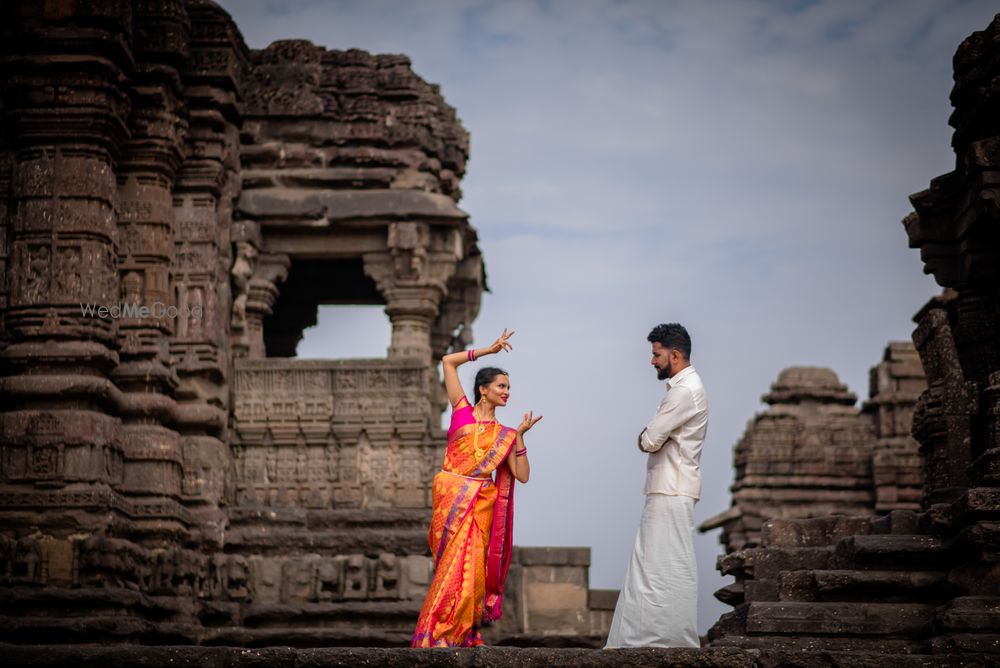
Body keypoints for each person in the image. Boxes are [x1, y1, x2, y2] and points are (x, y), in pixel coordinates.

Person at [411, 329, 542, 647]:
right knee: (450, 571)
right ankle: (438, 633)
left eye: (509, 387)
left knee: (471, 576)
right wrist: (488, 350)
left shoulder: (505, 434)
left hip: (480, 507)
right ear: (483, 390)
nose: (507, 392)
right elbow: (447, 362)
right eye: (501, 386)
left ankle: (463, 633)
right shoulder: (461, 411)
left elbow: (522, 475)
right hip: (451, 502)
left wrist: (521, 437)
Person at [605, 323, 708, 648]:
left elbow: (649, 440)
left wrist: (645, 435)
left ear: (674, 355)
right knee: (654, 564)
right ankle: (649, 638)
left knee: (663, 566)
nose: (652, 361)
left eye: (656, 354)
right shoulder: (686, 388)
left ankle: (662, 639)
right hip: (670, 486)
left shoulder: (683, 392)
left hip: (672, 487)